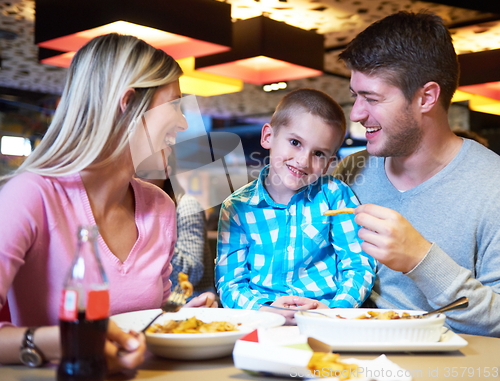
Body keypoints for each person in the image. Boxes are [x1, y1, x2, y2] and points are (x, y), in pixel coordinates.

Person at [0, 33, 216, 369]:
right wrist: (66, 342)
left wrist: (180, 319)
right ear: (128, 102)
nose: (184, 122)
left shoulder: (160, 207)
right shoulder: (30, 196)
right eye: (174, 104)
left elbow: (144, 320)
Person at [334, 11, 500, 336]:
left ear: (426, 97)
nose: (356, 114)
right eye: (356, 96)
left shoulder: (493, 185)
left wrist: (421, 260)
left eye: (372, 98)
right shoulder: (350, 170)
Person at [216, 88, 376, 324]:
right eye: (295, 142)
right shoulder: (236, 207)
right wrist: (263, 310)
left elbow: (358, 265)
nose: (303, 161)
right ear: (268, 136)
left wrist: (334, 309)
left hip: (325, 318)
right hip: (261, 319)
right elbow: (230, 282)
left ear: (330, 162)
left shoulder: (335, 195)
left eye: (319, 153)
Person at [149, 171, 216, 300]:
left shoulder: (186, 205)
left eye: (142, 172)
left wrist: (153, 234)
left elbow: (191, 273)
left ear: (165, 169)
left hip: (192, 302)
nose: (134, 178)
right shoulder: (139, 211)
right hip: (159, 303)